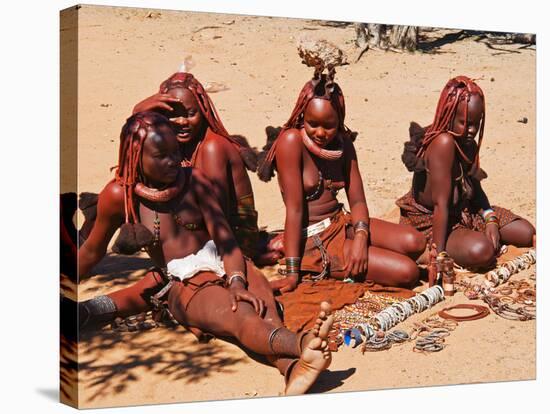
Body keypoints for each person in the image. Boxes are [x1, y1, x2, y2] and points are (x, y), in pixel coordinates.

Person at [78, 111, 333, 395]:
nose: (174, 160)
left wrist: (237, 280)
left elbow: (225, 241)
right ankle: (303, 343)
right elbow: (90, 252)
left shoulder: (194, 180)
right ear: (136, 157)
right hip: (185, 284)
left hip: (230, 262)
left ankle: (293, 368)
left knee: (266, 310)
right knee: (242, 317)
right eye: (161, 155)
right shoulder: (119, 196)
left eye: (176, 150)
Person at [257, 72, 426, 294]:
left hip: (340, 222)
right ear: (301, 116)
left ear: (339, 121)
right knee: (407, 272)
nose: (320, 133)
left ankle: (371, 253)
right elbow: (295, 210)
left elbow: (357, 201)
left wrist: (360, 237)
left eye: (329, 125)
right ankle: (331, 264)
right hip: (313, 240)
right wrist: (292, 274)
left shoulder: (343, 144)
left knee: (415, 241)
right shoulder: (290, 142)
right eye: (312, 123)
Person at [397, 76, 535, 269]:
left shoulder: (467, 144)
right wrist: (439, 256)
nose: (471, 130)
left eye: (476, 124)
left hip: (464, 210)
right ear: (450, 116)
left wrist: (490, 219)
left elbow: (475, 189)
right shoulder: (443, 144)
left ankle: (470, 235)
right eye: (465, 123)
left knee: (526, 232)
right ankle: (426, 250)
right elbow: (440, 205)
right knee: (482, 251)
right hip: (432, 222)